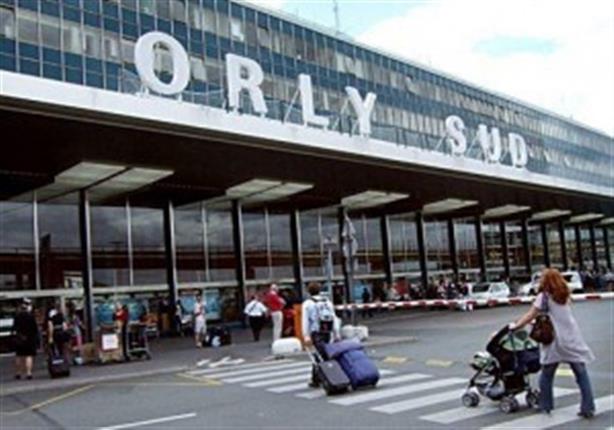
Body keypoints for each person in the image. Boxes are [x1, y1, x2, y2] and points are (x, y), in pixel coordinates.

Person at [509, 268, 595, 418]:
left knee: (547, 374)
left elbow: (531, 315)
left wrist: (516, 326)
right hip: (571, 338)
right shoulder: (564, 295)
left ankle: (546, 405)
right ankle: (588, 407)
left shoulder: (543, 297)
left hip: (554, 340)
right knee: (581, 374)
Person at [301, 282, 341, 387]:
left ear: (308, 292)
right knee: (322, 354)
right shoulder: (327, 302)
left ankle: (326, 378)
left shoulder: (307, 304)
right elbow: (334, 317)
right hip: (327, 331)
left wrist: (306, 336)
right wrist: (336, 333)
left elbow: (305, 321)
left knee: (319, 355)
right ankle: (316, 378)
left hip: (316, 332)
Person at [13, 298, 39, 380]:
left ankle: (18, 373)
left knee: (18, 356)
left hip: (19, 338)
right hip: (29, 338)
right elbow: (35, 329)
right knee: (29, 356)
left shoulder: (17, 317)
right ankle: (29, 373)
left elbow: (14, 328)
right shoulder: (31, 317)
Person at [66, 301, 84, 365]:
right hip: (76, 332)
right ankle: (78, 359)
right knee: (77, 345)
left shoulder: (69, 316)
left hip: (71, 332)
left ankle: (74, 359)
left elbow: (68, 324)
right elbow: (79, 323)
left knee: (72, 346)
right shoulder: (74, 316)